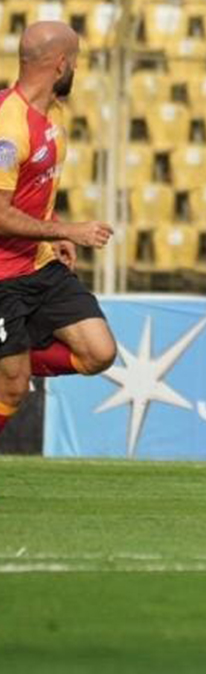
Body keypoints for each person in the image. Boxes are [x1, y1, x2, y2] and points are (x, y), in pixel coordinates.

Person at [0, 22, 118, 441]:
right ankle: (11, 368)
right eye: (78, 61)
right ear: (61, 64)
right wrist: (68, 229)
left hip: (40, 265)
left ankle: (14, 360)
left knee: (99, 352)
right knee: (12, 390)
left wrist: (53, 233)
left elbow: (33, 194)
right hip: (2, 279)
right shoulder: (8, 128)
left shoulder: (54, 114)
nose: (78, 70)